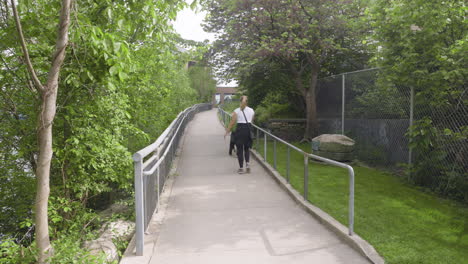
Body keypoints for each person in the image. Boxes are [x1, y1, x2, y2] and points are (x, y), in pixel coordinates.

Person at [224, 96, 255, 174]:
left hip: (240, 130)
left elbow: (232, 122)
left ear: (240, 102)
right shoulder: (252, 110)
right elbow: (252, 121)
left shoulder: (237, 111)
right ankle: (247, 164)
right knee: (247, 148)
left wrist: (227, 131)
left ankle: (241, 168)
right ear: (247, 102)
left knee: (240, 149)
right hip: (248, 130)